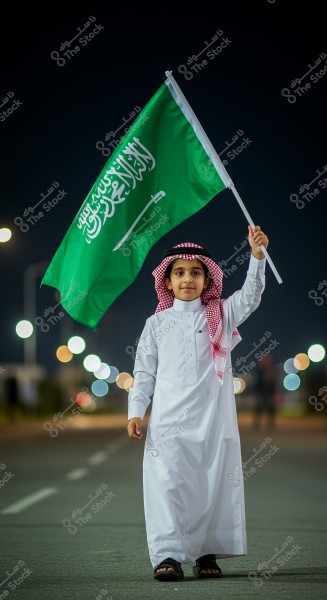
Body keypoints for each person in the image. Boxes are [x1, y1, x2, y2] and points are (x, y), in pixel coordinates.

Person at [127, 225, 268, 581]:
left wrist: (256, 258)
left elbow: (250, 297)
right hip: (167, 425)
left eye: (195, 272)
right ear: (168, 282)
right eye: (179, 273)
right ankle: (168, 556)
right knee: (168, 485)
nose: (187, 279)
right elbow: (144, 373)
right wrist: (135, 411)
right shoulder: (156, 323)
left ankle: (207, 553)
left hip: (214, 421)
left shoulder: (220, 315)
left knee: (210, 485)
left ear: (207, 280)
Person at [252, 354, 277, 430]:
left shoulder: (272, 370)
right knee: (259, 408)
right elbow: (256, 383)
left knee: (271, 408)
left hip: (269, 393)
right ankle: (257, 425)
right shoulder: (259, 371)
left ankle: (270, 425)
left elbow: (274, 383)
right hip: (261, 392)